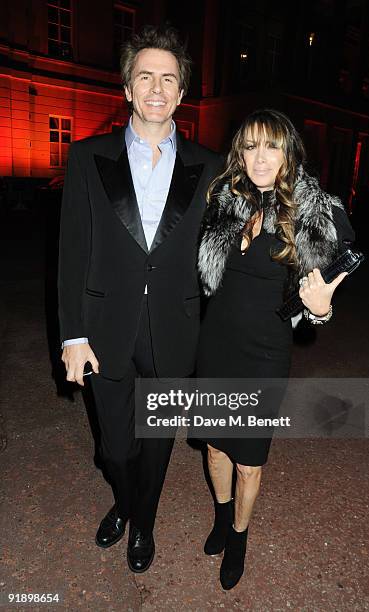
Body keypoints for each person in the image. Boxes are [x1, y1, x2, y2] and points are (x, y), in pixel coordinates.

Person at [58, 26, 221, 573]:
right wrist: (72, 335)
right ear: (127, 88)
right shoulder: (88, 157)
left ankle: (141, 524)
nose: (157, 88)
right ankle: (124, 500)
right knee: (114, 449)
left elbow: (231, 251)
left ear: (181, 93)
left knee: (157, 444)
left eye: (168, 78)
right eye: (145, 76)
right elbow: (72, 254)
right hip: (105, 328)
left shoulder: (210, 166)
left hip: (176, 328)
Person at [196, 109, 355, 589]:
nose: (259, 157)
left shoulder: (311, 211)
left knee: (248, 459)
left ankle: (239, 537)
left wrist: (322, 305)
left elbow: (339, 264)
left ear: (288, 152)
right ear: (238, 153)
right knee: (216, 448)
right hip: (216, 344)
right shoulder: (225, 199)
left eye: (270, 146)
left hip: (264, 353)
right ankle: (222, 519)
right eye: (249, 146)